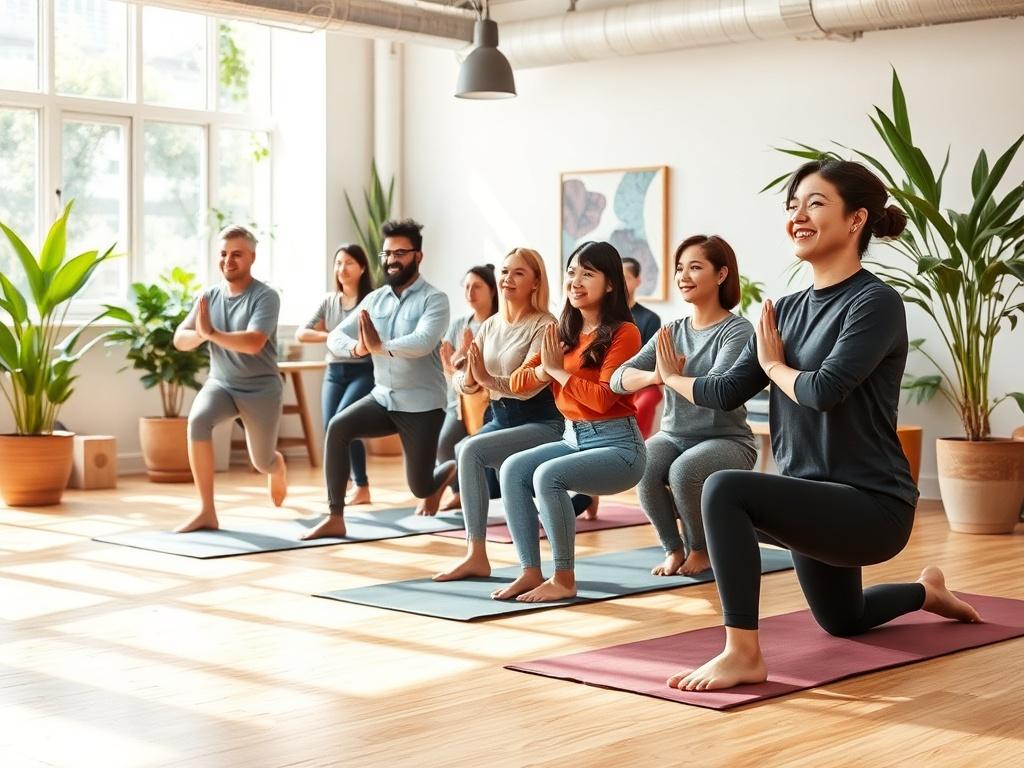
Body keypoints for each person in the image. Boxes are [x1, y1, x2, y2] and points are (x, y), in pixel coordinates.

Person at [656, 160, 980, 692]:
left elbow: (824, 391)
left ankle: (742, 653)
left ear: (856, 221)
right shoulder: (782, 310)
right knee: (843, 620)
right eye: (792, 206)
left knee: (722, 487)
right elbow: (723, 393)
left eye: (814, 203)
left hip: (873, 504)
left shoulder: (874, 303)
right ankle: (929, 592)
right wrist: (672, 377)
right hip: (812, 499)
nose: (797, 216)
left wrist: (775, 365)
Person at [493, 241, 647, 603]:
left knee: (548, 476)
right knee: (513, 469)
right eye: (572, 272)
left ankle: (564, 578)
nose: (576, 281)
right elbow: (518, 382)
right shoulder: (563, 330)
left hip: (619, 446)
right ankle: (531, 571)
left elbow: (603, 397)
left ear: (610, 284)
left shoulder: (625, 333)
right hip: (572, 437)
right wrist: (547, 369)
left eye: (587, 274)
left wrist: (558, 371)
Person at [300, 218, 455, 540]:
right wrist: (357, 348)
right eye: (386, 254)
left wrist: (379, 347)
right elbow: (334, 337)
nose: (392, 260)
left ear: (418, 256)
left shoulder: (435, 299)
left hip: (421, 405)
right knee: (338, 427)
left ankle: (447, 472)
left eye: (400, 252)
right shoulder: (375, 299)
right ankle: (334, 515)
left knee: (420, 486)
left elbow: (423, 341)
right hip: (383, 397)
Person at [612, 235, 757, 576]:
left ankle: (700, 550)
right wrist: (655, 377)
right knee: (644, 466)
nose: (683, 276)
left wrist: (674, 378)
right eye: (679, 269)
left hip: (727, 440)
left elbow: (718, 388)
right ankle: (673, 549)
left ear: (721, 275)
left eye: (695, 267)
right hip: (674, 434)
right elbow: (619, 377)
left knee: (683, 471)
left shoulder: (736, 330)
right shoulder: (671, 331)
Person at [432, 248, 563, 582]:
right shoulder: (489, 325)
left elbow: (529, 384)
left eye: (519, 273)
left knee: (471, 450)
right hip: (500, 416)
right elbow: (465, 381)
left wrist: (483, 378)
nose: (508, 279)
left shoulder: (546, 325)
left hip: (542, 420)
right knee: (464, 450)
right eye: (505, 272)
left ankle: (482, 555)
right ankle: (476, 553)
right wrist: (467, 377)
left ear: (535, 282)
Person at [172, 225, 287, 532]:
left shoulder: (265, 297)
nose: (228, 261)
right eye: (223, 254)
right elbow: (179, 339)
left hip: (261, 388)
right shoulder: (208, 296)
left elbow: (253, 343)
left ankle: (276, 466)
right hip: (221, 384)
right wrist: (200, 334)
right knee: (197, 421)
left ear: (252, 257)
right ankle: (206, 511)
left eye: (236, 254)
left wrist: (212, 333)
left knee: (261, 461)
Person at [295, 244, 375, 505]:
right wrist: (332, 336)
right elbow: (302, 333)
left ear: (362, 267)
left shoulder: (372, 300)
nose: (342, 268)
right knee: (332, 427)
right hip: (334, 370)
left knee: (343, 422)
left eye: (349, 262)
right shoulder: (329, 301)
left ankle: (361, 485)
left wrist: (342, 339)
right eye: (338, 263)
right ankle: (343, 486)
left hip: (363, 370)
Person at [428, 265, 499, 513]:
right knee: (445, 445)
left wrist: (464, 361)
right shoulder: (459, 324)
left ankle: (484, 496)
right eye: (467, 286)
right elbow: (449, 363)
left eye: (477, 286)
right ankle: (458, 493)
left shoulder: (497, 323)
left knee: (476, 450)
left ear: (492, 290)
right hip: (458, 400)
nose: (470, 291)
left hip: (489, 401)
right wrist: (458, 360)